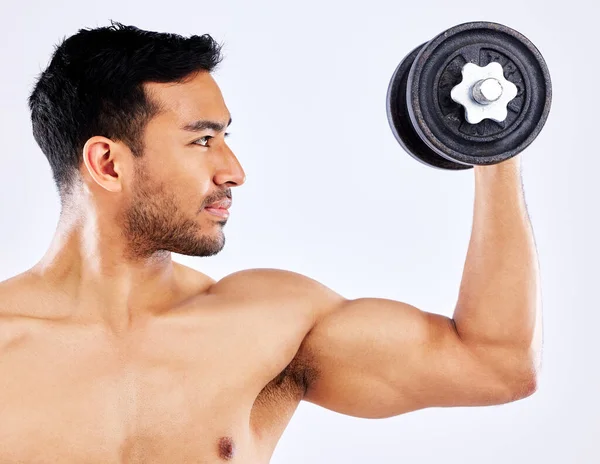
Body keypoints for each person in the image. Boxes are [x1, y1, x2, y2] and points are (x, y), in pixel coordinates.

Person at [0, 21, 542, 463]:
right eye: (203, 139)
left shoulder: (270, 325)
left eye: (225, 138)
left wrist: (494, 148)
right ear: (107, 163)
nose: (233, 170)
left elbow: (495, 364)